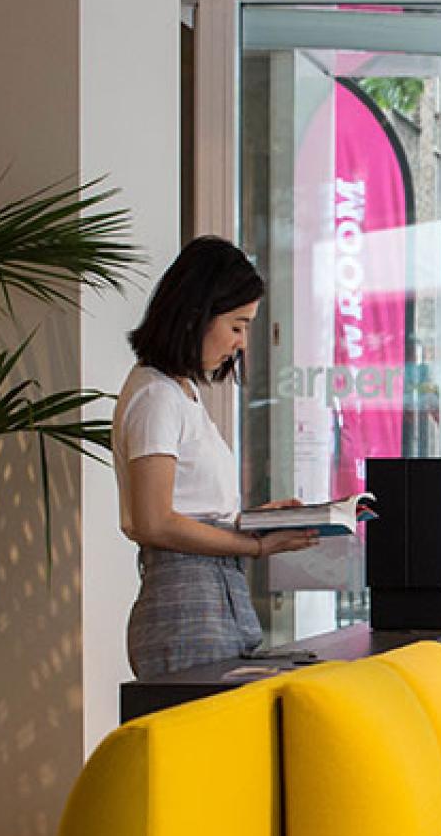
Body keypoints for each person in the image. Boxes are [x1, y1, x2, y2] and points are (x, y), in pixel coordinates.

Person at [115, 237, 320, 680]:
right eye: (237, 326)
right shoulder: (157, 397)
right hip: (187, 603)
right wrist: (254, 546)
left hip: (214, 597)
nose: (241, 344)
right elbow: (154, 521)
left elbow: (190, 510)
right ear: (197, 314)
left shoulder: (180, 393)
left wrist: (255, 523)